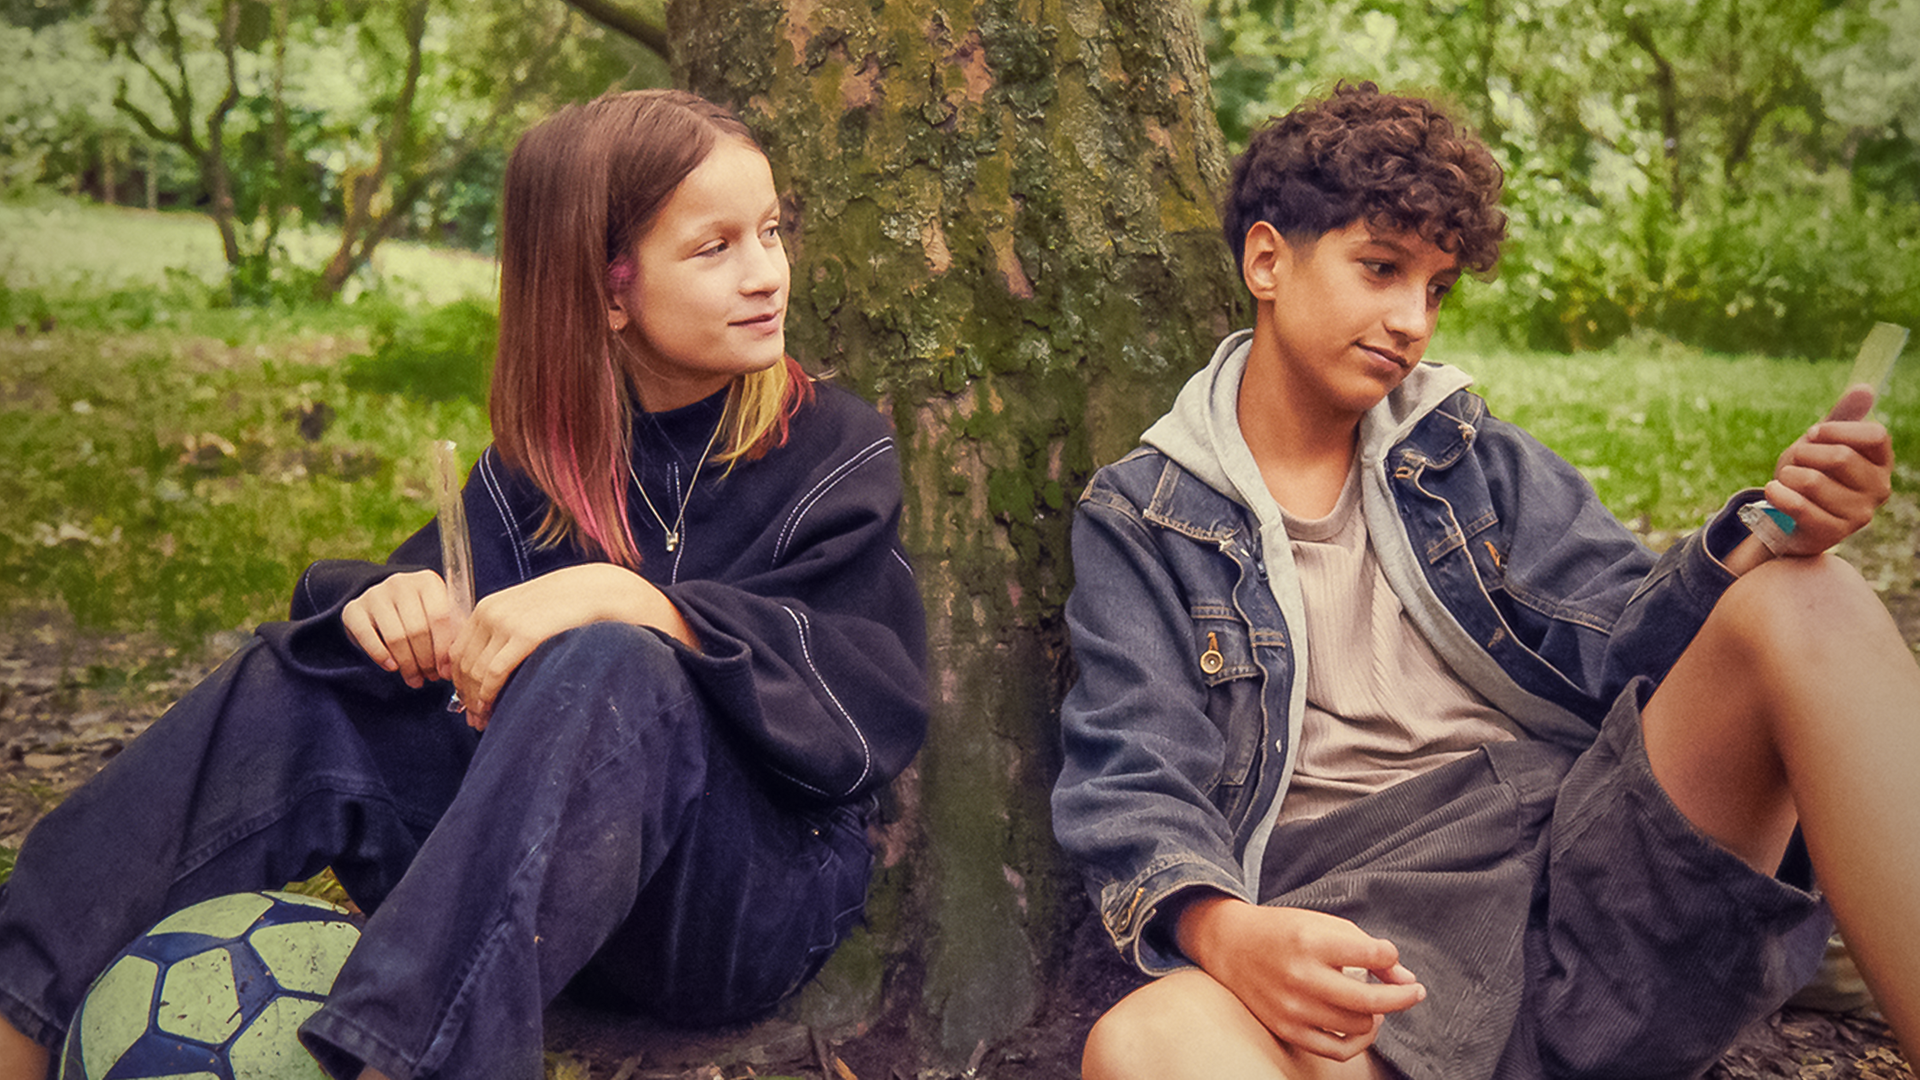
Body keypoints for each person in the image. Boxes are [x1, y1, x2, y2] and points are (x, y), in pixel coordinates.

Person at [0, 89, 926, 1080]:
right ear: (607, 291)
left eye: (771, 233)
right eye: (716, 248)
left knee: (615, 664)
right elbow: (430, 598)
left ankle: (404, 1064)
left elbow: (865, 705)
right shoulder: (542, 463)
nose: (767, 274)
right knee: (303, 682)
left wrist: (639, 605)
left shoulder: (833, 450)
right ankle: (18, 1014)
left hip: (740, 899)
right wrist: (386, 603)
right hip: (520, 899)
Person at [1051, 81, 1920, 1079]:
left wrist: (1760, 537)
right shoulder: (1145, 517)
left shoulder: (1468, 457)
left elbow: (1625, 653)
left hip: (1591, 881)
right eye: (1381, 268)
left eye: (1437, 289)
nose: (1411, 320)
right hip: (1371, 944)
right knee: (1145, 1047)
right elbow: (1135, 774)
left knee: (1806, 595)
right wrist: (1222, 931)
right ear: (1267, 260)